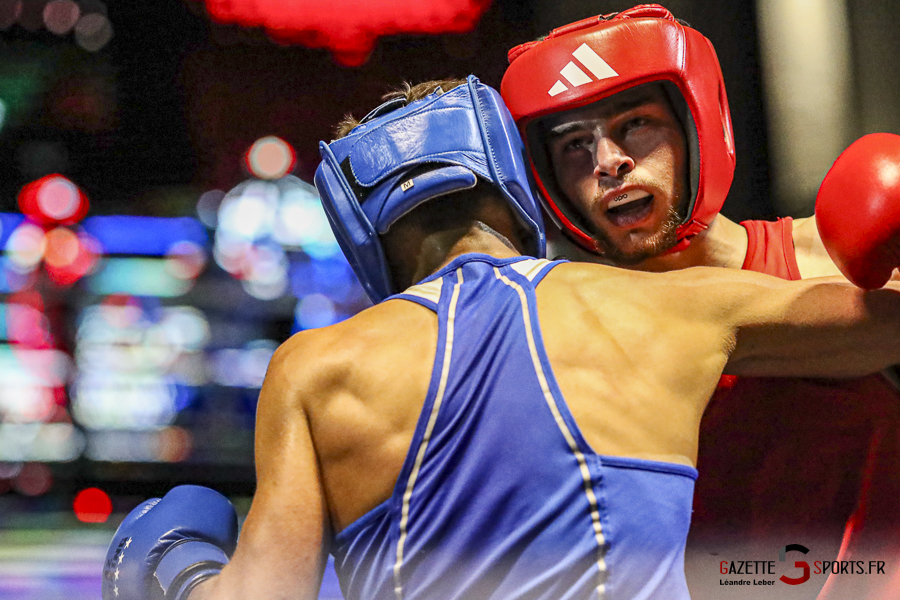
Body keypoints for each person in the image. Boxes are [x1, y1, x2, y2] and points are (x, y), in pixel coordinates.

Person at [102, 76, 900, 600]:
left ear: (357, 230)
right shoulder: (666, 310)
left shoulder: (317, 371)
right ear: (516, 184)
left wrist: (174, 567)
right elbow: (881, 327)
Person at [500, 4, 900, 598]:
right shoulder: (561, 336)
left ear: (698, 127)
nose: (608, 162)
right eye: (574, 144)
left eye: (636, 123)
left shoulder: (826, 260)